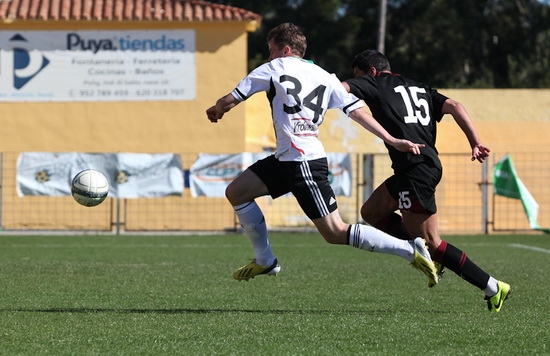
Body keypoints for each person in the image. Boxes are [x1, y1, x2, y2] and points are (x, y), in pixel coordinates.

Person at [205, 23, 439, 286]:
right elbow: (357, 112)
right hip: (287, 158)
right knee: (237, 191)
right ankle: (265, 260)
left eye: (271, 50)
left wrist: (216, 109)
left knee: (335, 232)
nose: (269, 56)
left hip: (302, 161)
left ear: (285, 49)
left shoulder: (273, 67)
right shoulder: (324, 75)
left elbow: (230, 100)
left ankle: (410, 250)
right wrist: (392, 139)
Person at [342, 49, 511, 312]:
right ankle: (428, 254)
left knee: (433, 242)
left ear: (372, 72)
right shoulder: (418, 87)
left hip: (416, 169)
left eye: (359, 76)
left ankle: (492, 286)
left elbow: (340, 87)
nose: (358, 81)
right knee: (372, 212)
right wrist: (475, 142)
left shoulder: (374, 82)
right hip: (414, 168)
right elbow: (455, 106)